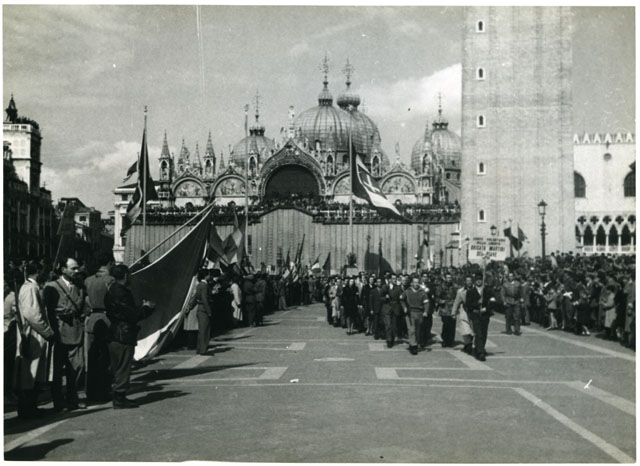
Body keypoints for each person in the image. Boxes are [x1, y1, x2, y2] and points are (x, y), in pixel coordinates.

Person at [104, 264, 155, 409]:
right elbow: (132, 315)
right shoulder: (123, 293)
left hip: (114, 332)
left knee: (117, 366)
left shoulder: (111, 290)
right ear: (126, 276)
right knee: (124, 366)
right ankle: (119, 397)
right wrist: (147, 308)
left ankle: (119, 395)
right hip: (124, 333)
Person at [43, 257, 89, 411]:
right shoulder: (51, 287)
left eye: (77, 268)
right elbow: (46, 310)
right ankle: (59, 401)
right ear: (63, 269)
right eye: (73, 268)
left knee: (78, 367)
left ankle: (72, 398)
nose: (77, 271)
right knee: (57, 370)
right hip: (58, 333)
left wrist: (84, 312)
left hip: (76, 331)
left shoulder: (80, 286)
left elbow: (84, 305)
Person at [15, 261, 55, 419]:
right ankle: (27, 409)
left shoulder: (30, 286)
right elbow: (32, 314)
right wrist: (47, 332)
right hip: (33, 334)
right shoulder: (31, 288)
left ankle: (31, 407)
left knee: (34, 371)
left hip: (33, 333)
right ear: (38, 271)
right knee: (31, 371)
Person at [84, 251, 115, 403]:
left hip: (92, 320)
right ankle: (103, 391)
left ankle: (91, 392)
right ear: (110, 263)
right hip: (106, 319)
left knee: (92, 358)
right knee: (106, 358)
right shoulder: (110, 280)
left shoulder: (88, 280)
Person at [465, 274, 494, 361]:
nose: (479, 281)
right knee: (478, 333)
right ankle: (480, 352)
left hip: (485, 315)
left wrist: (486, 308)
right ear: (475, 281)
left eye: (480, 279)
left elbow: (492, 301)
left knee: (484, 333)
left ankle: (480, 348)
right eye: (477, 280)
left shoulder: (487, 291)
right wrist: (477, 303)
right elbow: (468, 305)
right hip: (475, 315)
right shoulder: (470, 292)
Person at [401, 276, 430, 355]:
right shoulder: (407, 292)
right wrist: (404, 307)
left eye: (417, 282)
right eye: (415, 282)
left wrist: (426, 311)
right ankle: (413, 346)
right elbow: (401, 299)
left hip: (419, 313)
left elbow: (426, 303)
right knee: (412, 330)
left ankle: (414, 343)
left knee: (418, 330)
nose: (416, 284)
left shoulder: (422, 292)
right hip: (410, 313)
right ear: (412, 283)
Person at [452, 276, 474, 355]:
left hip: (473, 312)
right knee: (465, 330)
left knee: (472, 331)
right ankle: (468, 345)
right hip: (464, 312)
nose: (469, 282)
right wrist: (453, 313)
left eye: (470, 280)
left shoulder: (476, 290)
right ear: (465, 282)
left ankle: (468, 344)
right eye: (467, 280)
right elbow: (456, 302)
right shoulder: (460, 291)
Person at [437, 273, 458, 347]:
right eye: (448, 277)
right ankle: (445, 340)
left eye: (450, 277)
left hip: (453, 308)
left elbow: (458, 296)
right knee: (446, 324)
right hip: (444, 308)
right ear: (445, 278)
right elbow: (437, 296)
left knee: (452, 325)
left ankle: (451, 341)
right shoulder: (441, 286)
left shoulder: (455, 286)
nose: (449, 279)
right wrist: (440, 301)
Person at [195, 269, 212, 355]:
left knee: (202, 330)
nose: (210, 276)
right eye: (209, 275)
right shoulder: (204, 285)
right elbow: (204, 298)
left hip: (200, 308)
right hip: (204, 309)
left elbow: (196, 296)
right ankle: (203, 349)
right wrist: (209, 311)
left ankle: (200, 348)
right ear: (205, 276)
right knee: (204, 330)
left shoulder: (199, 285)